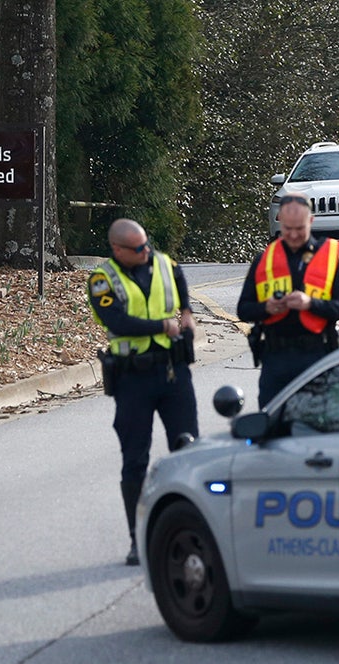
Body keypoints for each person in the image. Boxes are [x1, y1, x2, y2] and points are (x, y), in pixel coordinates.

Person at [88, 218, 198, 566]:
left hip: (172, 372)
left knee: (188, 451)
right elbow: (116, 322)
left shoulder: (167, 265)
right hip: (132, 379)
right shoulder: (102, 280)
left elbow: (184, 303)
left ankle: (194, 535)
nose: (146, 251)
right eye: (137, 248)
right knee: (135, 460)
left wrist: (189, 319)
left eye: (147, 243)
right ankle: (139, 540)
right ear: (118, 250)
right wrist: (161, 326)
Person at [237, 192, 339, 408]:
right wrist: (267, 308)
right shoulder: (264, 259)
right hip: (275, 357)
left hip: (316, 354)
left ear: (311, 221)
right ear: (280, 220)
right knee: (272, 425)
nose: (292, 235)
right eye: (287, 229)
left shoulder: (329, 257)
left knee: (314, 425)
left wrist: (310, 304)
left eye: (299, 229)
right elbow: (244, 310)